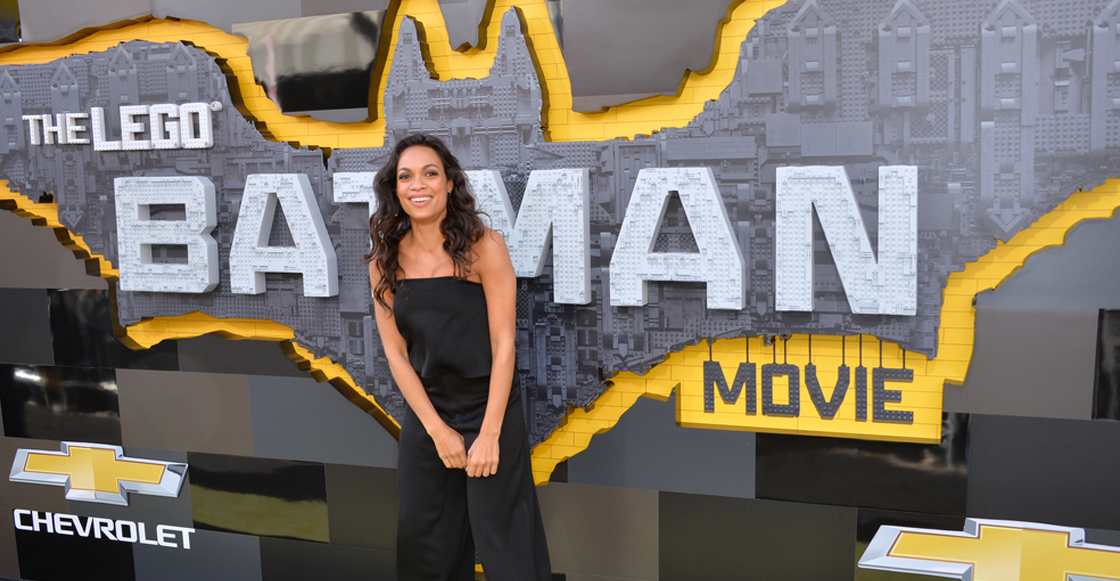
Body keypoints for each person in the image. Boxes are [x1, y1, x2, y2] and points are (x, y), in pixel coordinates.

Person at [366, 133, 551, 581]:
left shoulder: (484, 246)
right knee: (425, 545)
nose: (418, 185)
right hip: (427, 412)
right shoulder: (383, 259)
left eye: (430, 173)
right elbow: (395, 352)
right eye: (406, 176)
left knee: (506, 544)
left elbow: (504, 344)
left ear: (449, 183)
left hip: (489, 407)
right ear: (394, 188)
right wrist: (436, 430)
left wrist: (489, 435)